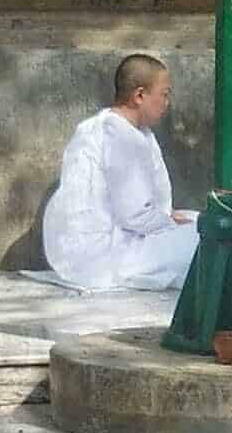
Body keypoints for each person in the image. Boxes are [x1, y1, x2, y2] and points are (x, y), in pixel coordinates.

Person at [42, 54, 199, 290]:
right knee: (208, 237)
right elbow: (134, 216)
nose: (167, 103)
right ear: (139, 95)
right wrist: (168, 223)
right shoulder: (120, 136)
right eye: (164, 95)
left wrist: (167, 217)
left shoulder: (110, 126)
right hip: (103, 255)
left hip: (91, 247)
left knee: (197, 219)